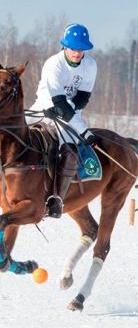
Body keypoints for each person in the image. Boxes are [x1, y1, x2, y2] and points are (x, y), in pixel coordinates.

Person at [26, 23, 100, 218]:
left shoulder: (90, 65)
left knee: (70, 150)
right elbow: (58, 102)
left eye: (81, 49)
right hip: (43, 108)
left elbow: (82, 98)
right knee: (10, 131)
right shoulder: (54, 64)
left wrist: (74, 117)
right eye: (74, 48)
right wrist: (85, 131)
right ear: (65, 47)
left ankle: (56, 199)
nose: (77, 53)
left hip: (69, 114)